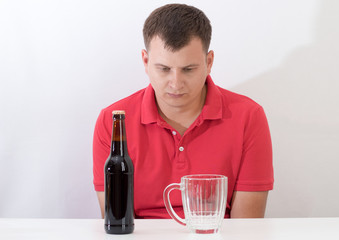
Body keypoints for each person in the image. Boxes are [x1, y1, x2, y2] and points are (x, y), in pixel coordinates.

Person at [93, 4, 273, 219]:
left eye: (188, 69)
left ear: (209, 62)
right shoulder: (113, 120)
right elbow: (117, 221)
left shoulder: (248, 117)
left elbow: (246, 228)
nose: (176, 84)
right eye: (164, 69)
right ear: (145, 61)